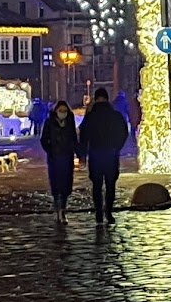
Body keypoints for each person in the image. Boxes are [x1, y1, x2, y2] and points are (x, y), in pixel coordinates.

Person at [79, 88, 130, 226]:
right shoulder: (115, 115)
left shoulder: (90, 116)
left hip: (95, 154)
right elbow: (124, 132)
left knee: (97, 186)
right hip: (111, 154)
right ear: (107, 99)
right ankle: (108, 211)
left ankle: (98, 213)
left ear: (96, 99)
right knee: (110, 185)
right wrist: (117, 147)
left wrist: (82, 155)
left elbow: (83, 136)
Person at [40, 100, 81, 222]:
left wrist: (78, 153)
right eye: (60, 111)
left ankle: (63, 209)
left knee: (66, 185)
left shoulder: (70, 123)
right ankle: (58, 209)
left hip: (67, 158)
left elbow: (74, 139)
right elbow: (44, 139)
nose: (63, 113)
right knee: (56, 185)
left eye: (65, 111)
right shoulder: (49, 123)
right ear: (56, 111)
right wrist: (50, 151)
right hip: (54, 159)